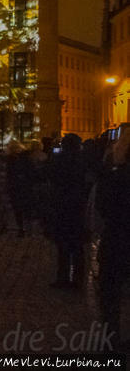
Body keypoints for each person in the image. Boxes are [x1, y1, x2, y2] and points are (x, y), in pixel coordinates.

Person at [97, 130, 130, 350]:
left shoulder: (115, 176)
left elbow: (103, 207)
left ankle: (110, 339)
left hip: (117, 240)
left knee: (110, 295)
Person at [48, 133, 88, 289]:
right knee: (77, 246)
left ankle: (62, 277)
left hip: (62, 206)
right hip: (78, 207)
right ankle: (78, 279)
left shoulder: (59, 160)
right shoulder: (83, 161)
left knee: (63, 245)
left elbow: (51, 177)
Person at [5, 141, 34, 236]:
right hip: (23, 186)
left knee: (18, 209)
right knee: (24, 208)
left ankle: (22, 228)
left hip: (16, 186)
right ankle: (26, 228)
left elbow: (9, 174)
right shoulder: (25, 158)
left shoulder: (11, 160)